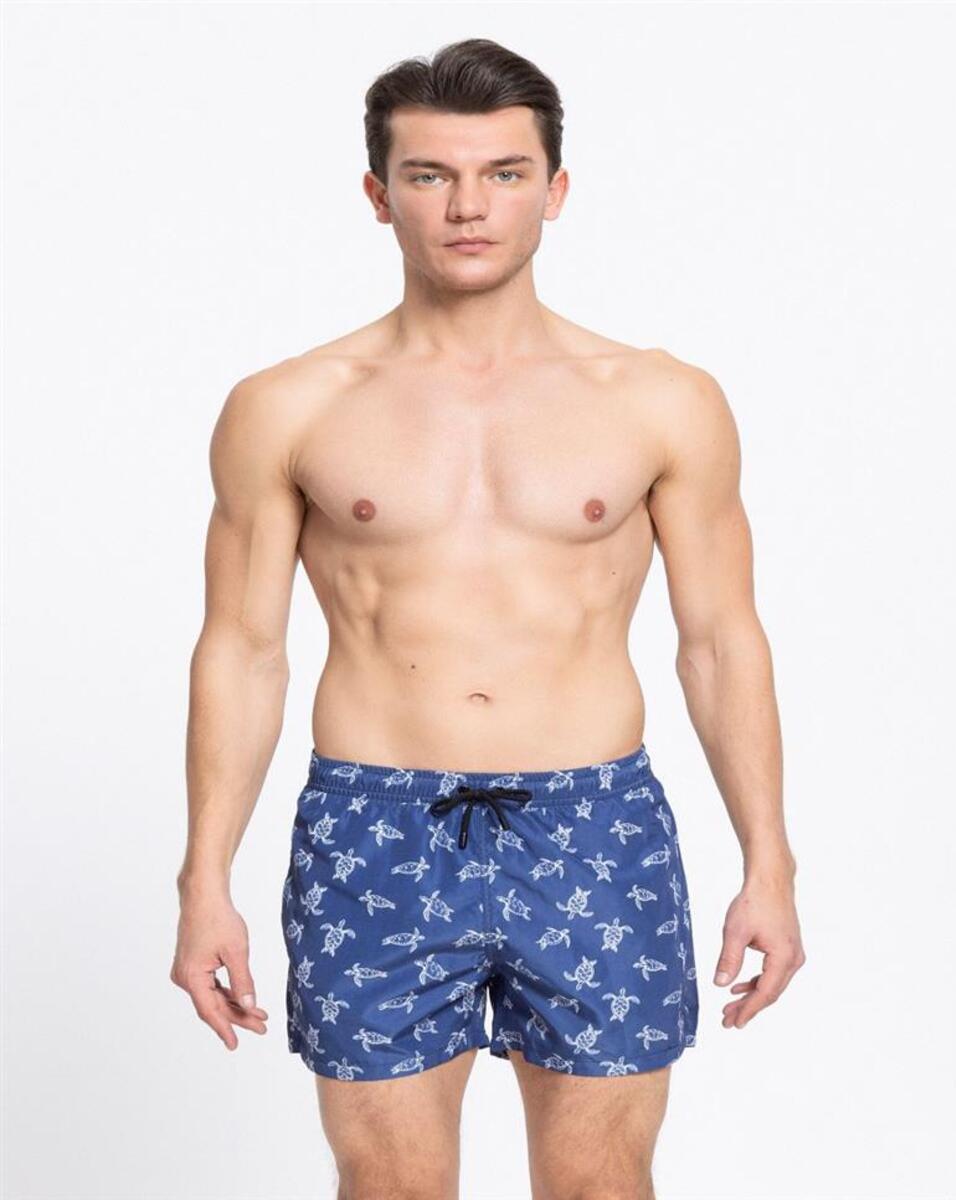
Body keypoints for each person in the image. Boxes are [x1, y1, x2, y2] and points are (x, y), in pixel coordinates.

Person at [170, 36, 805, 1200]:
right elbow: (244, 649)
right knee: (391, 1186)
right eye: (430, 175)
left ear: (554, 191)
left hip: (593, 824)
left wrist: (770, 861)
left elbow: (720, 640)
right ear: (380, 195)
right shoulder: (288, 406)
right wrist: (202, 879)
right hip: (373, 825)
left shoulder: (660, 399)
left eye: (504, 174)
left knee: (600, 1181)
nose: (468, 207)